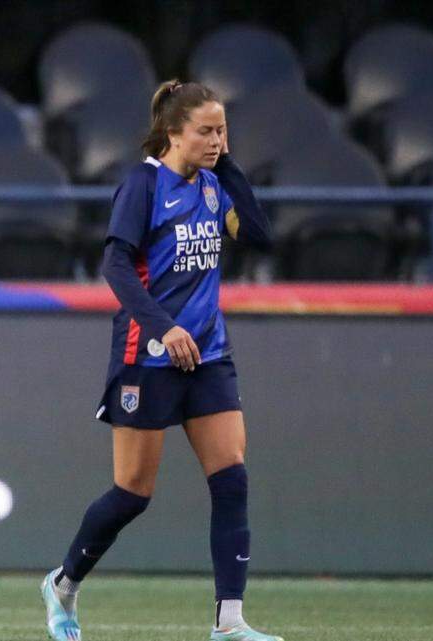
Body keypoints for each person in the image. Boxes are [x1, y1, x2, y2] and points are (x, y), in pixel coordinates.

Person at [39, 80, 281, 641]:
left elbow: (264, 237)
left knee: (232, 479)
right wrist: (163, 327)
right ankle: (63, 584)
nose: (217, 140)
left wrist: (228, 162)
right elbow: (116, 267)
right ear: (174, 133)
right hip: (147, 354)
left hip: (209, 354)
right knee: (132, 492)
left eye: (222, 130)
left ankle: (230, 622)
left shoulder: (217, 184)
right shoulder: (143, 186)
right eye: (205, 131)